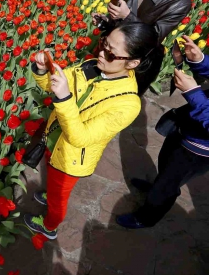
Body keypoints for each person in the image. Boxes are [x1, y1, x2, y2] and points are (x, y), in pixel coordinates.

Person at [23, 22, 162, 239]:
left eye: (111, 54)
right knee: (51, 177)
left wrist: (65, 97)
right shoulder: (91, 66)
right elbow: (53, 86)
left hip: (71, 159)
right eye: (104, 44)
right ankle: (50, 194)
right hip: (54, 139)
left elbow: (80, 137)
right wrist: (43, 70)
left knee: (58, 199)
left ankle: (50, 226)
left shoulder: (127, 104)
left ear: (133, 62)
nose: (102, 54)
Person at [117, 35, 209, 229]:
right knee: (166, 163)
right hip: (188, 125)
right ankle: (158, 186)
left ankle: (147, 217)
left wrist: (194, 95)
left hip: (199, 147)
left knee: (168, 183)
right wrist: (199, 60)